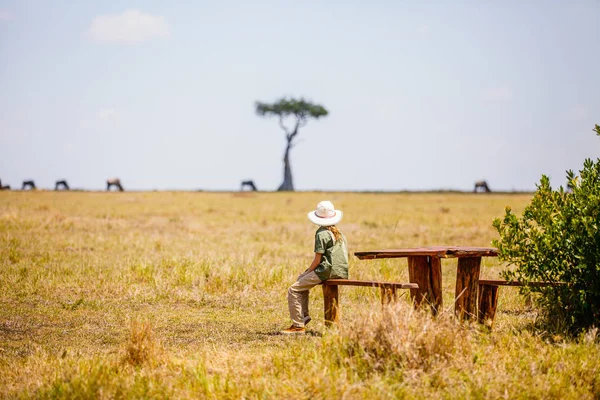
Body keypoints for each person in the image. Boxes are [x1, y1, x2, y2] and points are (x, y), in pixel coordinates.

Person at [281, 201, 349, 334]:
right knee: (302, 285)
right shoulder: (338, 232)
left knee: (293, 289)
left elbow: (317, 260)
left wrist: (306, 272)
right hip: (340, 271)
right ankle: (303, 317)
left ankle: (298, 325)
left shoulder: (321, 233)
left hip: (326, 271)